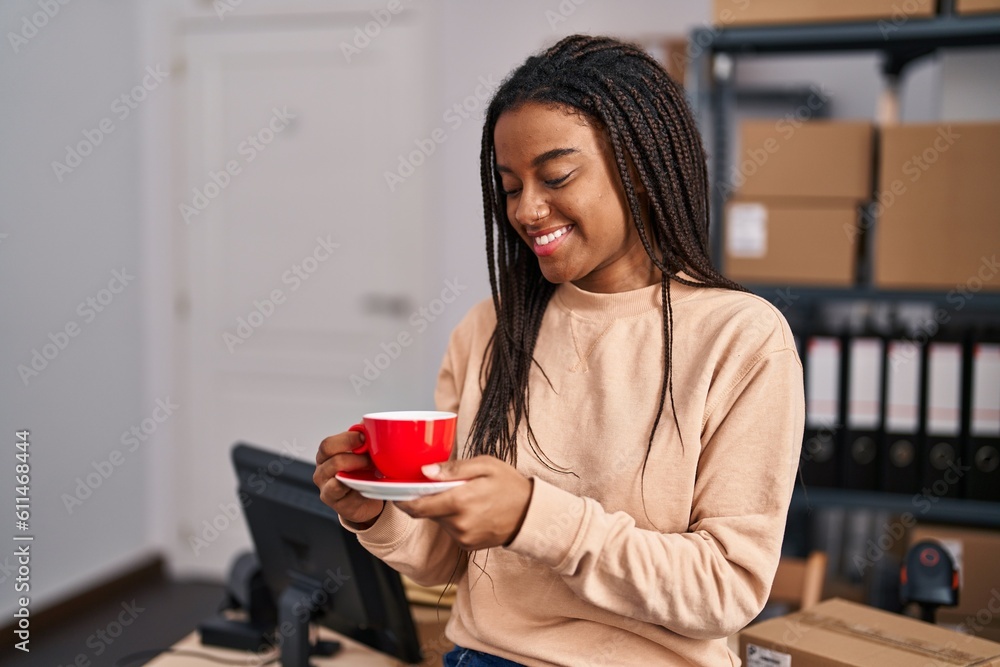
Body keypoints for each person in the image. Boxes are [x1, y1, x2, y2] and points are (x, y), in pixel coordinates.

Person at [315, 34, 804, 666]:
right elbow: (449, 559)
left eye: (555, 177)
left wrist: (534, 519)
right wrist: (376, 513)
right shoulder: (489, 329)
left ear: (639, 166)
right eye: (510, 185)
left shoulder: (741, 338)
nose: (527, 209)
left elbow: (725, 589)